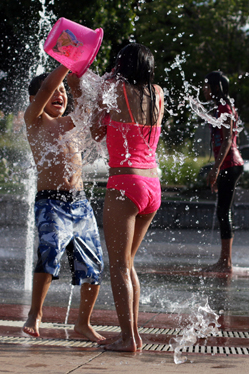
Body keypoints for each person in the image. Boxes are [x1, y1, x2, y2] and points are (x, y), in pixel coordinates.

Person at [22, 65, 105, 342]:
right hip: (51, 203)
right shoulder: (35, 120)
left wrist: (78, 76)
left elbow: (86, 107)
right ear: (36, 99)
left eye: (62, 91)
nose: (59, 94)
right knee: (50, 251)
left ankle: (83, 323)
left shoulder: (70, 123)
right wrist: (66, 63)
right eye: (52, 91)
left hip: (80, 203)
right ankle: (36, 312)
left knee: (93, 264)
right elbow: (46, 88)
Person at [92, 43, 164, 352]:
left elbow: (96, 131)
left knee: (119, 266)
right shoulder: (157, 93)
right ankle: (132, 336)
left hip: (125, 182)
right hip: (152, 185)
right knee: (128, 264)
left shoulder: (113, 87)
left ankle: (128, 338)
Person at [201, 71, 244, 273]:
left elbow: (227, 139)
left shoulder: (224, 107)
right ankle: (224, 260)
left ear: (216, 88)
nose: (204, 89)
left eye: (207, 86)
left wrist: (216, 168)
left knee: (223, 211)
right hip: (229, 163)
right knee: (222, 211)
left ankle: (226, 262)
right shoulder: (222, 107)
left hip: (230, 164)